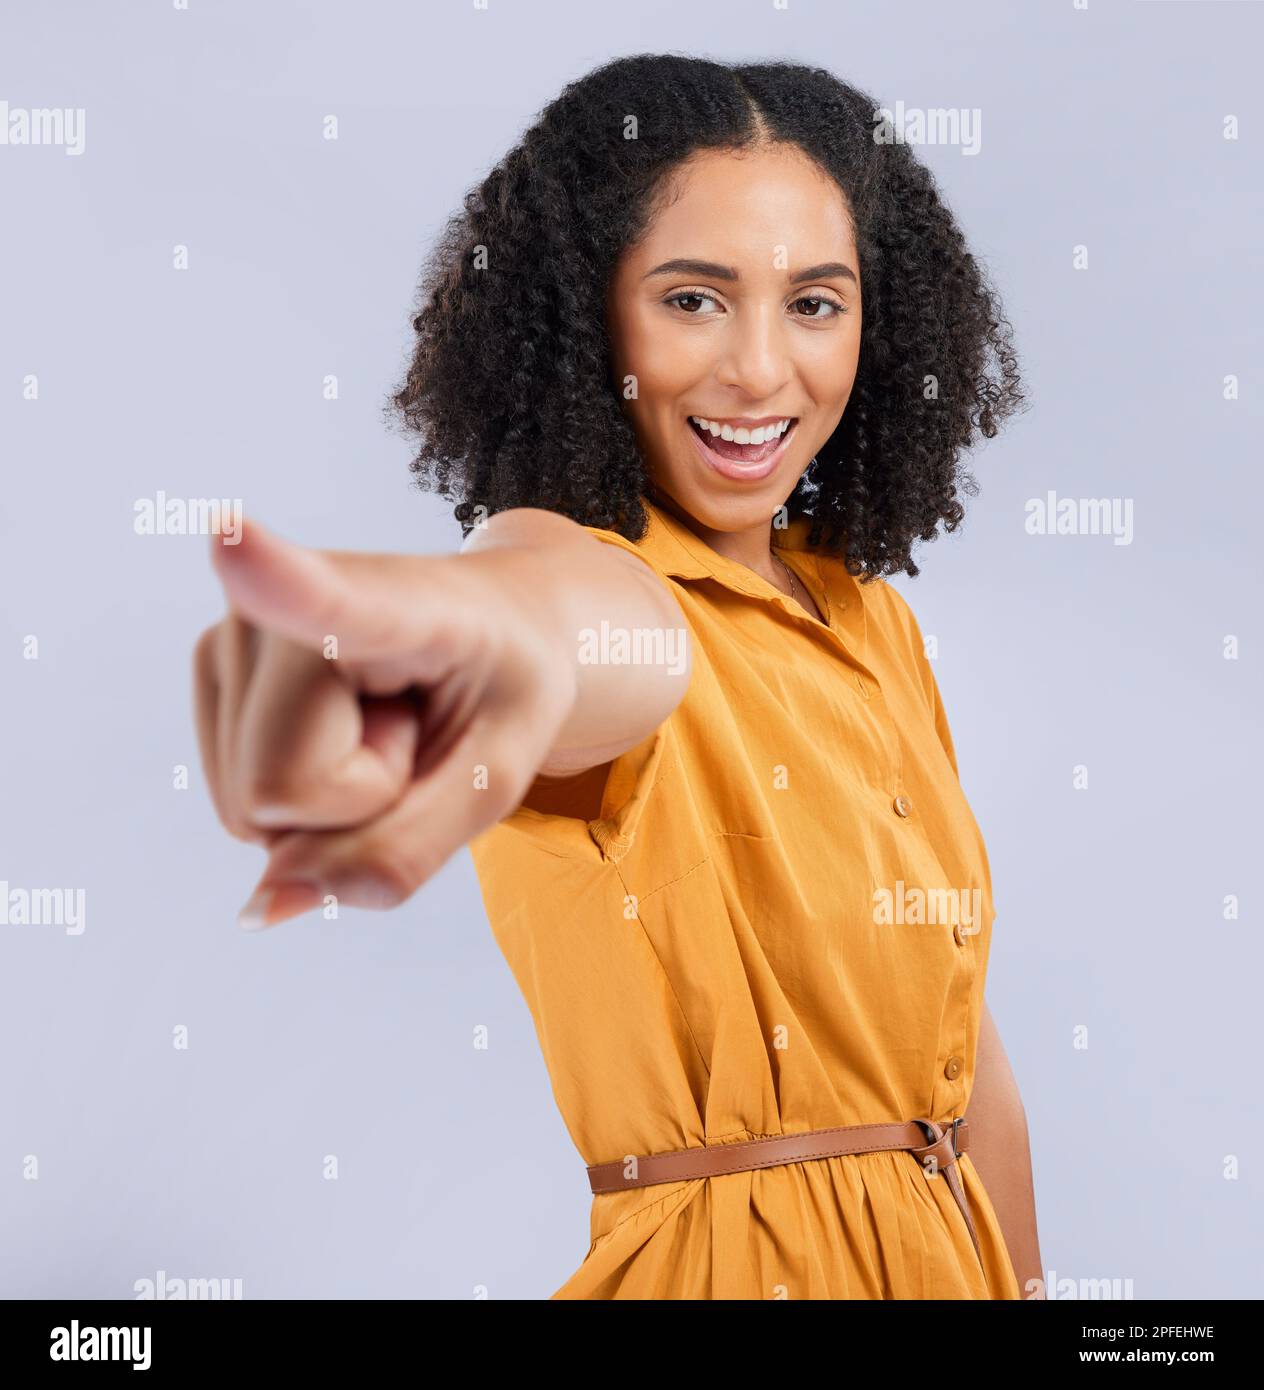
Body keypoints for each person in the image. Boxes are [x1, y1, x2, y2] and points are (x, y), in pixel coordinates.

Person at [193, 55, 1042, 1300]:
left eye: (815, 302)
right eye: (693, 299)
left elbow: (972, 1087)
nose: (760, 369)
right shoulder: (591, 577)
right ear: (589, 318)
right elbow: (561, 626)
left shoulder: (876, 628)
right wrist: (430, 652)